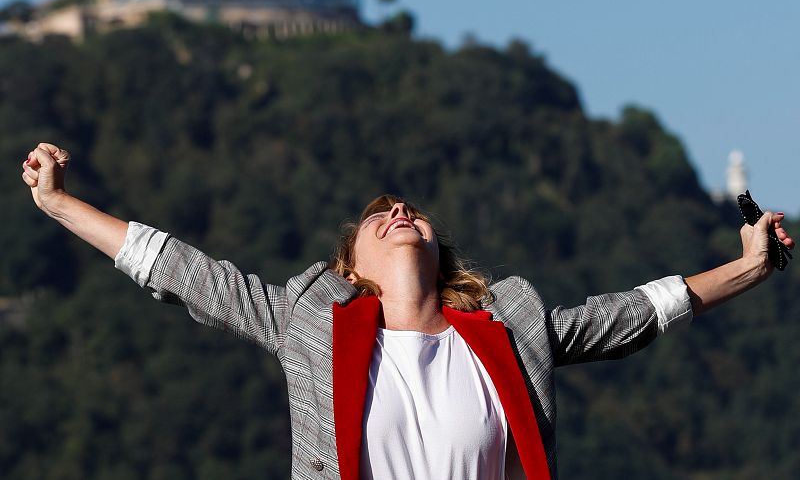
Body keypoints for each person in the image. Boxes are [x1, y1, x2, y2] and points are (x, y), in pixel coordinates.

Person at [21, 142, 795, 480]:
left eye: (409, 209)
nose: (397, 208)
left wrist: (749, 266)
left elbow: (632, 314)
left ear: (437, 247)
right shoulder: (309, 325)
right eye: (377, 212)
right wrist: (58, 206)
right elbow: (182, 270)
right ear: (350, 265)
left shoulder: (509, 331)